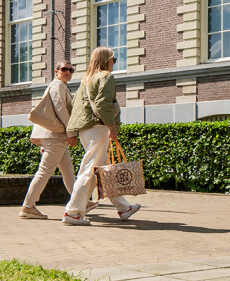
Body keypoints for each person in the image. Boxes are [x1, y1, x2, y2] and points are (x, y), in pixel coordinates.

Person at [61, 46, 141, 225]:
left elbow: (75, 108)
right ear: (106, 60)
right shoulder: (106, 77)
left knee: (101, 171)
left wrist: (72, 132)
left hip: (85, 130)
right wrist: (111, 127)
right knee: (89, 170)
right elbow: (103, 104)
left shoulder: (85, 80)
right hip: (98, 128)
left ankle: (124, 207)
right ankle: (72, 212)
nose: (114, 62)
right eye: (113, 59)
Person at [19, 60, 86, 219]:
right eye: (64, 69)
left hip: (56, 137)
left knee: (68, 173)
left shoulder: (62, 86)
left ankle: (80, 202)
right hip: (55, 137)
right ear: (56, 71)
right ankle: (28, 206)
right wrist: (71, 132)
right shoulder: (57, 85)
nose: (68, 72)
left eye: (71, 69)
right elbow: (60, 108)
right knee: (44, 171)